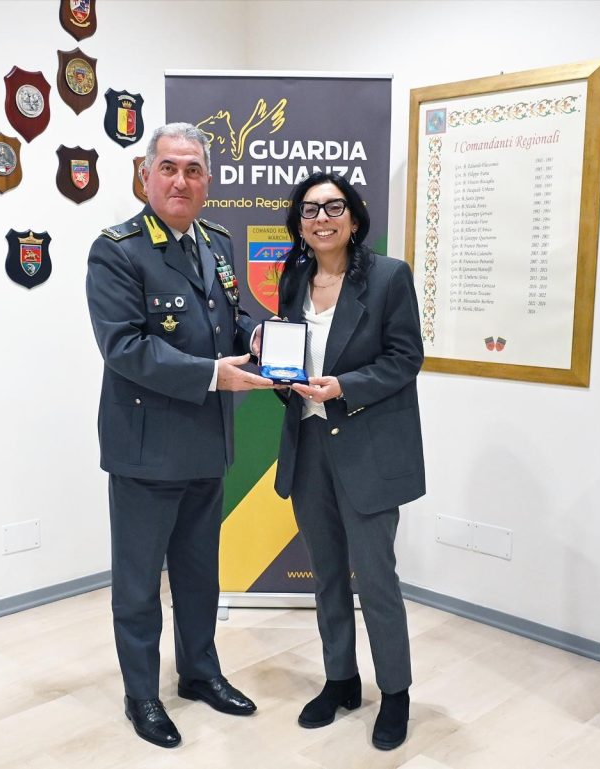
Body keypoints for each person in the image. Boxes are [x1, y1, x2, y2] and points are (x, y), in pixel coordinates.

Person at [86, 122, 273, 749]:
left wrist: (258, 338)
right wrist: (213, 375)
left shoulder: (217, 242)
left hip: (206, 441)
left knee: (199, 573)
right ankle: (142, 694)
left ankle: (199, 673)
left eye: (193, 169)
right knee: (139, 583)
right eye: (168, 167)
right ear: (145, 175)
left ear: (207, 181)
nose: (180, 180)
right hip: (146, 448)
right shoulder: (117, 251)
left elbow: (228, 317)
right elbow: (125, 348)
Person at [272, 172, 426, 750]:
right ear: (299, 224)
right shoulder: (294, 277)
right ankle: (340, 680)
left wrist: (345, 387)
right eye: (310, 210)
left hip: (367, 449)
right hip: (308, 445)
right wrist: (278, 374)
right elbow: (291, 353)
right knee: (327, 575)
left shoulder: (388, 277)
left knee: (376, 578)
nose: (322, 218)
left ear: (354, 219)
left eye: (334, 207)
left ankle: (396, 693)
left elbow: (405, 358)